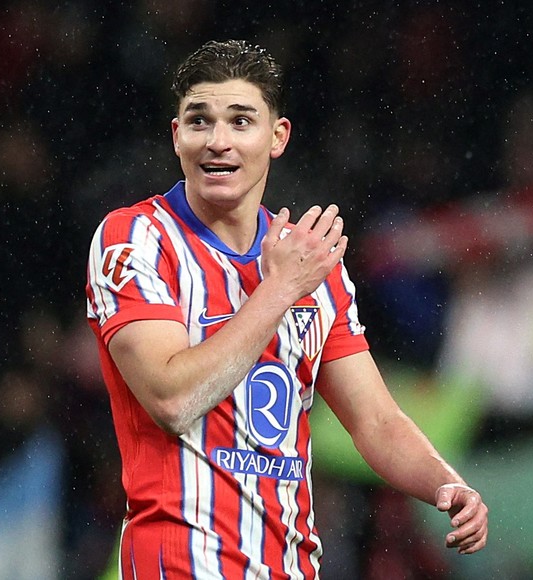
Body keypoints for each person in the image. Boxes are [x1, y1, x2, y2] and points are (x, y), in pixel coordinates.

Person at [85, 39, 488, 579]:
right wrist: (279, 289)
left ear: (278, 137)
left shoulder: (312, 265)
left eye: (241, 121)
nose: (218, 141)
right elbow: (174, 399)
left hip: (290, 566)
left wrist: (447, 483)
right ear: (177, 137)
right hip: (181, 565)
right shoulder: (135, 238)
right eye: (199, 121)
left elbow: (375, 420)